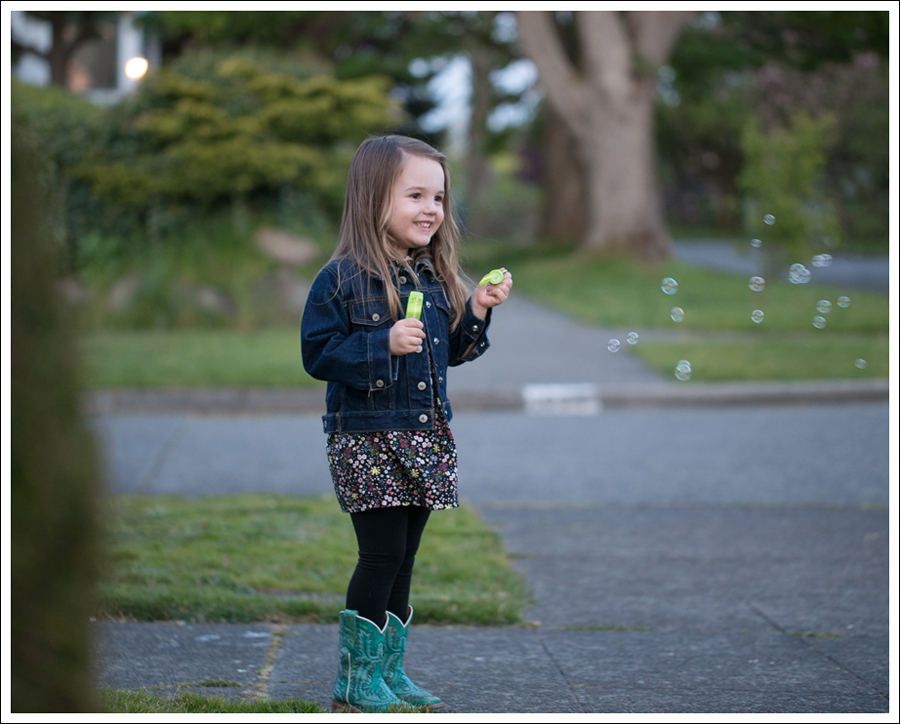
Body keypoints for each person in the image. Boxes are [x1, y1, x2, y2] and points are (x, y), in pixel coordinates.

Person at [301, 134, 512, 712]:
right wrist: (382, 343)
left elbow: (454, 352)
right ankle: (354, 682)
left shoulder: (433, 277)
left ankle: (387, 673)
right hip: (367, 440)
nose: (431, 209)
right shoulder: (339, 280)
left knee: (404, 559)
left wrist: (478, 309)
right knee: (380, 556)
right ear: (374, 199)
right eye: (415, 195)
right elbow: (317, 355)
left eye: (438, 198)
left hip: (424, 438)